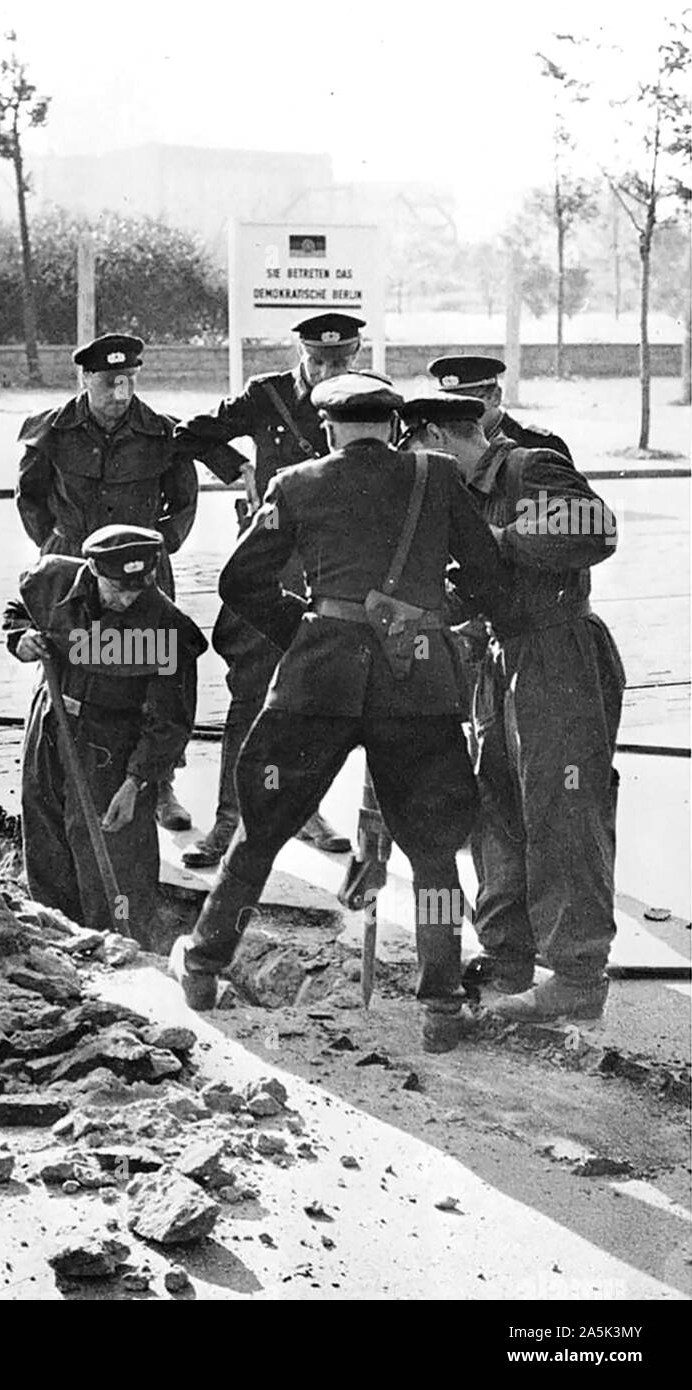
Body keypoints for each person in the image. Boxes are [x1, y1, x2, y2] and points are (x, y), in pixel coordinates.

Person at [171, 375, 507, 1052]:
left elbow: (240, 583)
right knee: (435, 855)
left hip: (314, 684)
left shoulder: (295, 483)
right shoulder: (436, 477)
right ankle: (440, 1005)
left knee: (260, 832)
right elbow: (489, 578)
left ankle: (204, 965)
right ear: (391, 426)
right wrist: (430, 619)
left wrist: (304, 630)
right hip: (412, 684)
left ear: (328, 429)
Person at [398, 394, 624, 1023]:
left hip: (560, 654)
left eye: (415, 449)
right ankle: (508, 954)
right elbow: (473, 589)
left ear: (441, 436)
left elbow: (594, 529)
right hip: (501, 658)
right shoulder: (461, 492)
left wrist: (493, 540)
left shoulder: (530, 468)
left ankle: (577, 975)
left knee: (562, 807)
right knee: (496, 805)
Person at [15, 332, 241, 833]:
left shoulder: (162, 434)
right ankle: (62, 771)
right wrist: (55, 549)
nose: (120, 394)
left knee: (156, 675)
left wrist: (154, 553)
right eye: (109, 383)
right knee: (69, 670)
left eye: (129, 382)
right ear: (85, 378)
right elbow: (29, 496)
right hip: (75, 570)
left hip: (143, 578)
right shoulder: (51, 431)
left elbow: (182, 504)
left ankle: (159, 786)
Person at [171, 313, 374, 865]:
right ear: (302, 354)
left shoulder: (370, 399)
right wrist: (237, 467)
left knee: (318, 696)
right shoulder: (268, 395)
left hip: (336, 570)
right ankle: (229, 821)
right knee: (251, 693)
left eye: (341, 360)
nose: (330, 369)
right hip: (271, 564)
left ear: (356, 355)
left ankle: (304, 810)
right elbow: (190, 433)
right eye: (320, 360)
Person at [4, 524, 206, 945]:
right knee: (46, 831)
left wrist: (137, 783)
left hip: (112, 746)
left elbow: (170, 721)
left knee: (112, 854)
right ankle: (55, 937)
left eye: (138, 587)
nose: (128, 598)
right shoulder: (54, 580)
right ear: (93, 569)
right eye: (118, 587)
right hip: (50, 724)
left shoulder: (165, 626)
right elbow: (19, 609)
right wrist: (20, 639)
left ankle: (118, 946)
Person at [427, 355, 574, 464]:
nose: (457, 414)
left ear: (496, 397)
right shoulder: (434, 442)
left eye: (470, 404)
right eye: (448, 405)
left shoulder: (538, 445)